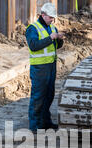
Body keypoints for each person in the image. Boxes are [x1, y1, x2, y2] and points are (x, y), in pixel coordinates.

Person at [26, 2, 65, 132]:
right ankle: (35, 126)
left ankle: (45, 123)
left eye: (53, 18)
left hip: (51, 66)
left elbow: (57, 46)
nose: (52, 20)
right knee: (38, 97)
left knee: (49, 95)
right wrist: (50, 38)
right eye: (50, 17)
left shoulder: (53, 28)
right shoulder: (33, 28)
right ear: (43, 15)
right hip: (39, 68)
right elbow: (34, 46)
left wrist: (59, 39)